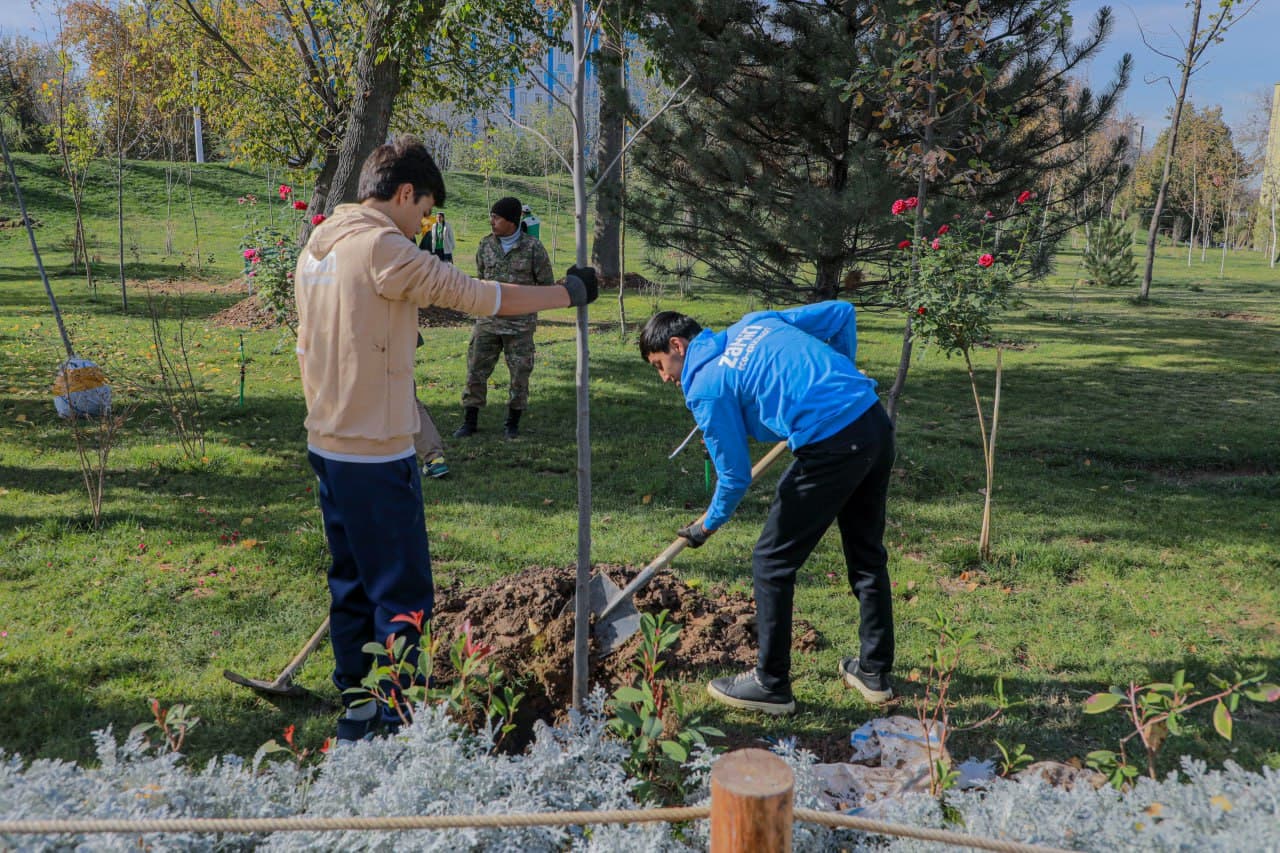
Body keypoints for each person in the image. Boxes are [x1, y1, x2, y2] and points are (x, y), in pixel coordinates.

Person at [294, 136, 597, 741]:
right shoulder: (381, 246)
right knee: (402, 593)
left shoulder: (318, 246)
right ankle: (397, 721)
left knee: (351, 581)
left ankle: (357, 707)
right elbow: (480, 296)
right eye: (424, 210)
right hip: (375, 450)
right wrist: (569, 292)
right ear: (403, 194)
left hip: (327, 443)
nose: (423, 224)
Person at [638, 302, 895, 715]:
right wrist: (840, 378)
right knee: (866, 553)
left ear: (677, 345)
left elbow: (734, 476)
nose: (664, 377)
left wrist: (707, 524)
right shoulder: (753, 323)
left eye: (659, 364)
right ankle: (874, 672)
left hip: (832, 444)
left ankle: (771, 683)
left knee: (771, 561)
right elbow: (841, 314)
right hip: (871, 420)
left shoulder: (706, 385)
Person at [453, 196, 554, 440]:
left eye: (497, 217)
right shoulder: (486, 245)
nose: (492, 221)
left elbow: (546, 286)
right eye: (492, 216)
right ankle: (470, 420)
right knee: (476, 370)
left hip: (520, 326)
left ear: (511, 220)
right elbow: (480, 277)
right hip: (488, 322)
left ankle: (512, 422)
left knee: (520, 374)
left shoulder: (533, 248)